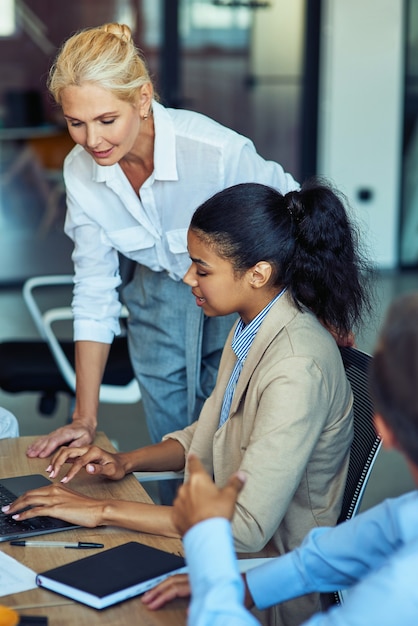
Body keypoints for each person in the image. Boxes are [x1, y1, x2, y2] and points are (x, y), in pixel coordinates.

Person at [4, 180, 371, 625]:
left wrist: (100, 510)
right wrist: (126, 462)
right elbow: (207, 434)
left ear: (257, 273)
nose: (186, 278)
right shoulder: (252, 325)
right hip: (238, 550)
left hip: (268, 577)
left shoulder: (296, 366)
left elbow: (246, 525)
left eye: (202, 268)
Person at [25, 22, 300, 467]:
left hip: (237, 296)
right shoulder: (81, 172)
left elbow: (297, 216)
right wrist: (85, 416)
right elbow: (94, 288)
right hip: (157, 300)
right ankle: (178, 535)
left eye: (106, 120)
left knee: (233, 448)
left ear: (143, 98)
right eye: (76, 123)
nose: (92, 140)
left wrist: (324, 306)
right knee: (173, 450)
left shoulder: (214, 152)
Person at [156, 292, 418, 626]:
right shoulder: (407, 515)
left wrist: (208, 545)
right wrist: (240, 586)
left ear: (383, 429)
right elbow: (322, 558)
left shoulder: (397, 593)